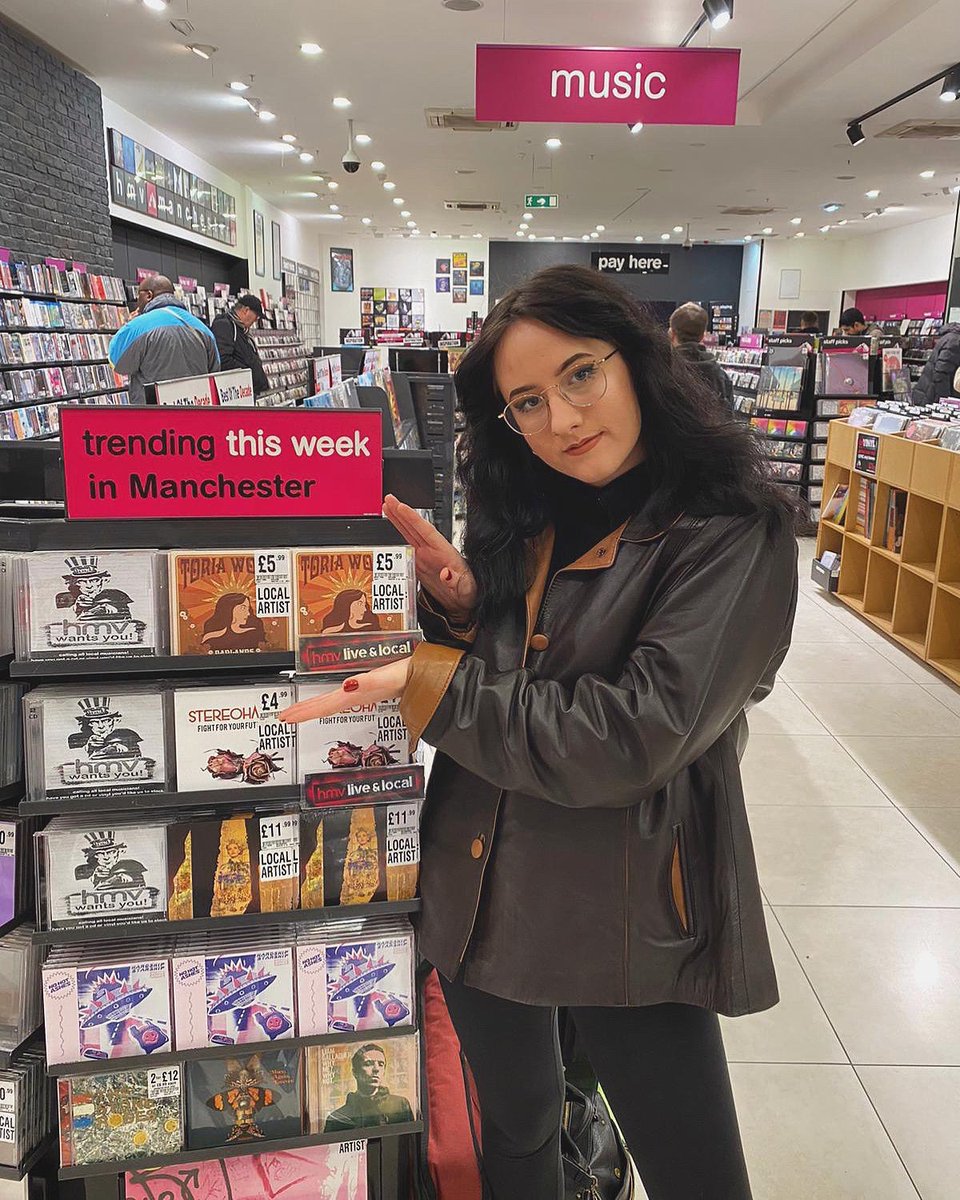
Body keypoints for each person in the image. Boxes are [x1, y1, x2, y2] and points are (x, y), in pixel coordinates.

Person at [282, 264, 800, 1200]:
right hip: (479, 877)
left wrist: (431, 682)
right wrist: (465, 609)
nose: (561, 419)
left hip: (628, 904)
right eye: (527, 401)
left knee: (693, 1169)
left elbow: (629, 738)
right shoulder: (525, 506)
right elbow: (522, 666)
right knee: (516, 1131)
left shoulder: (732, 531)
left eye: (580, 374)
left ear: (637, 361)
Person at [108, 275, 219, 404]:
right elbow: (214, 370)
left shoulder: (138, 326)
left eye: (139, 295)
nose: (137, 300)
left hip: (154, 412)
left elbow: (116, 362)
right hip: (195, 409)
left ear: (149, 295)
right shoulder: (203, 328)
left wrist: (127, 326)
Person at [323, 1043, 415, 1131]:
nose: (376, 1069)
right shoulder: (338, 1117)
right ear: (355, 1072)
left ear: (384, 1071)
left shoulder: (400, 1105)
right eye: (368, 1064)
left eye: (381, 1064)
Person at [667, 301, 734, 408]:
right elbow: (728, 414)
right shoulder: (720, 376)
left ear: (671, 334)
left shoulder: (662, 370)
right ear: (703, 336)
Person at [211, 294, 270, 396]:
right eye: (256, 315)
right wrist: (247, 373)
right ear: (246, 310)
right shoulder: (225, 325)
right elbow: (223, 359)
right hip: (236, 392)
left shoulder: (242, 329)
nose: (256, 320)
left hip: (246, 390)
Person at [911, 322, 960, 404]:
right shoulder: (955, 342)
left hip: (929, 392)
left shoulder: (951, 338)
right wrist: (945, 402)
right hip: (932, 397)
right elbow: (941, 374)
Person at [201, 592, 266, 651]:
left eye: (248, 608)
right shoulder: (210, 633)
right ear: (228, 609)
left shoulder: (255, 629)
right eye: (243, 608)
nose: (248, 613)